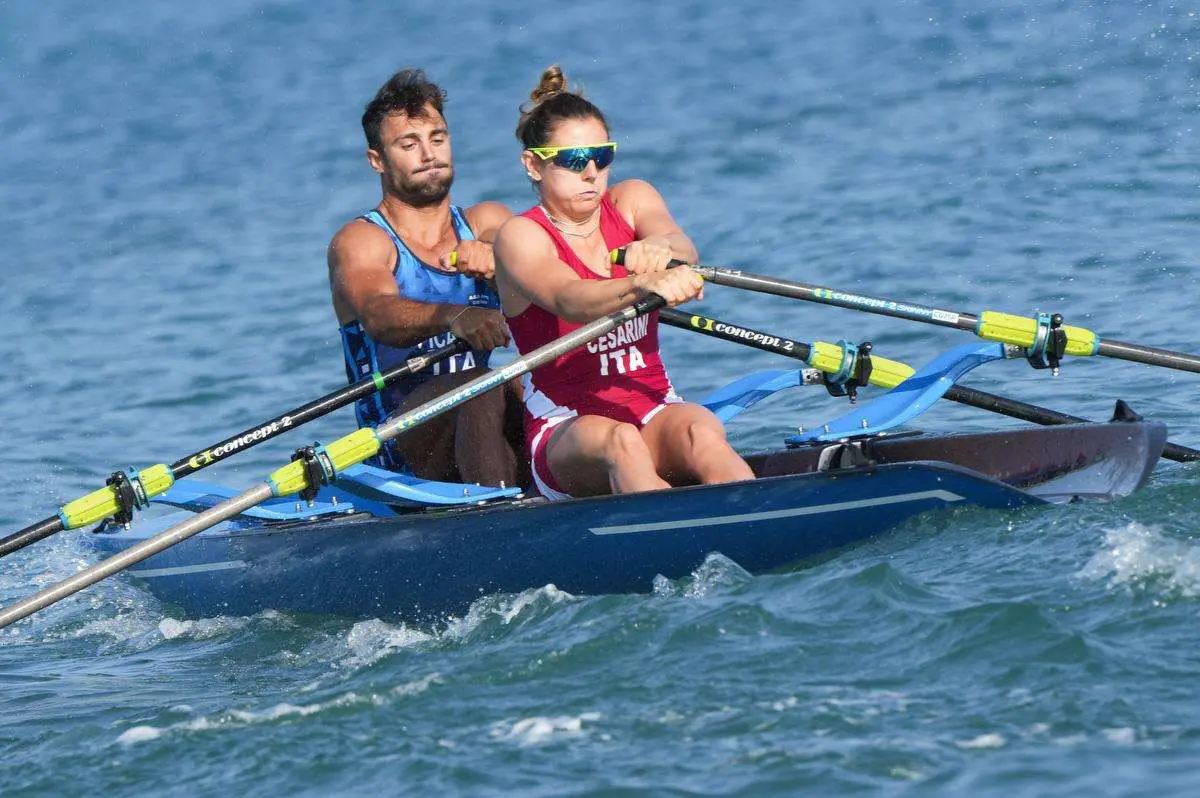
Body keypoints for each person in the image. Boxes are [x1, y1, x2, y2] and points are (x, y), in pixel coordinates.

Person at [492, 65, 755, 500]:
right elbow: (569, 297)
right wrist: (645, 286)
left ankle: (755, 518)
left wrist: (663, 253)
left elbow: (683, 246)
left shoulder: (632, 200)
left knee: (701, 427)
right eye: (573, 160)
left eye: (602, 156)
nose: (591, 171)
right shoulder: (521, 235)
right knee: (622, 442)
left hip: (653, 407)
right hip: (565, 428)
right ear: (533, 165)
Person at [328, 68, 526, 487]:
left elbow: (545, 279)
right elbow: (379, 315)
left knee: (536, 387)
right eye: (409, 144)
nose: (428, 153)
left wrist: (499, 267)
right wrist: (453, 316)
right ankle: (500, 516)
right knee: (483, 385)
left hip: (478, 422)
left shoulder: (488, 221)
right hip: (396, 445)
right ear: (376, 160)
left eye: (437, 139)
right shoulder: (361, 240)